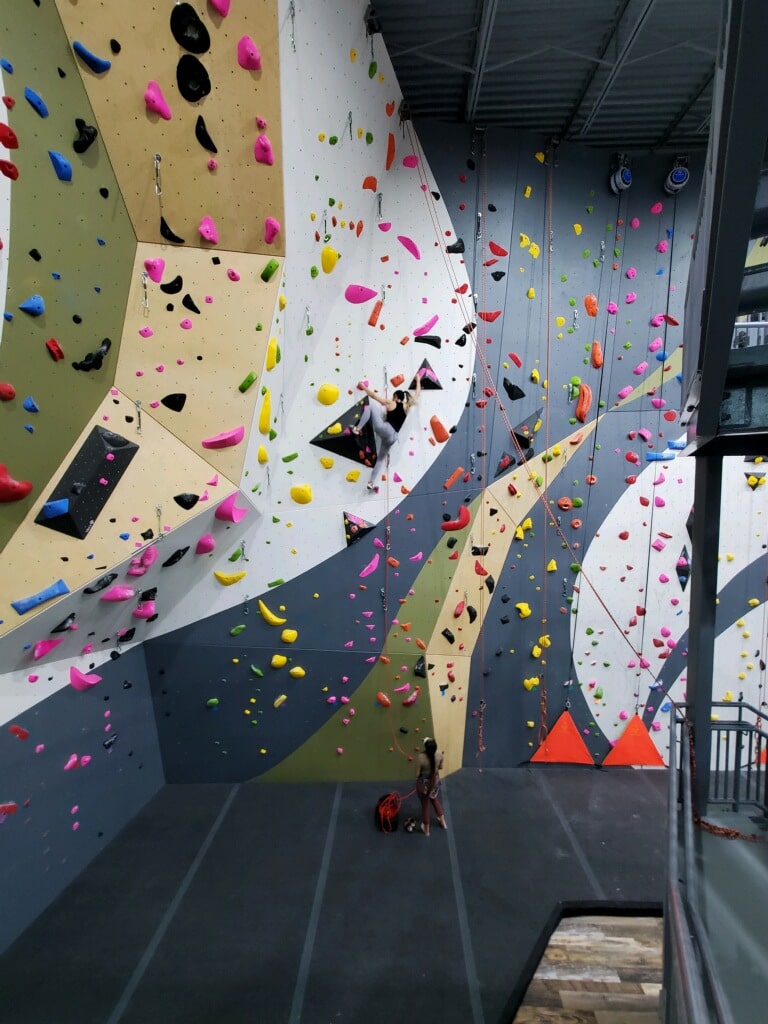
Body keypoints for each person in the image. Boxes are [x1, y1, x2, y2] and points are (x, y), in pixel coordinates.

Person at [353, 372, 421, 490]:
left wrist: (363, 387)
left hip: (385, 429)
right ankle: (371, 482)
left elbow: (373, 396)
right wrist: (418, 379)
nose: (391, 398)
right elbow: (417, 394)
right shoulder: (406, 406)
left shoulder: (391, 403)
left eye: (393, 396)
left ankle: (358, 428)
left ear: (396, 397)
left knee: (370, 407)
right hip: (392, 438)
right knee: (380, 459)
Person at [415, 736, 447, 836]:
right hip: (434, 782)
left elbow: (417, 774)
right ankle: (443, 823)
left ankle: (427, 830)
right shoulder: (440, 754)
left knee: (425, 806)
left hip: (423, 785)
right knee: (434, 800)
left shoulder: (421, 757)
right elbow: (441, 767)